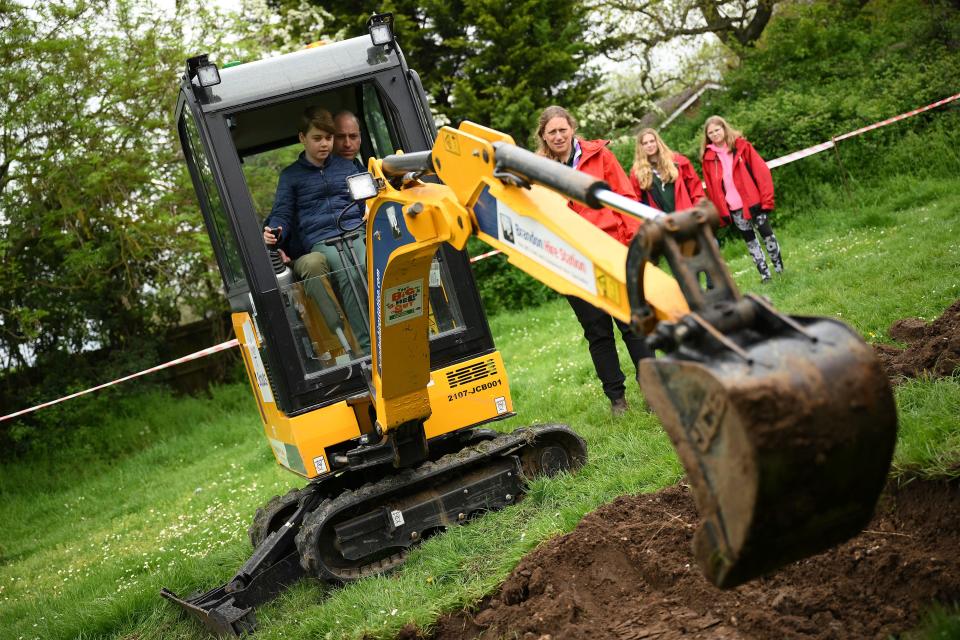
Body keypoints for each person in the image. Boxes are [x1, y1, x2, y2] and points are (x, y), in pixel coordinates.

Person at [535, 105, 652, 417]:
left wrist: (633, 248)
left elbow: (625, 200)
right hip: (572, 264)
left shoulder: (600, 156)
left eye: (562, 129)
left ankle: (653, 389)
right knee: (598, 333)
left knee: (632, 324)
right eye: (552, 132)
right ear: (543, 137)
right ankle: (617, 400)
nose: (558, 136)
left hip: (611, 252)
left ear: (572, 128)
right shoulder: (536, 171)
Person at [264, 106, 370, 352]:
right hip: (324, 240)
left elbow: (367, 199)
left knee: (371, 262)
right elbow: (282, 213)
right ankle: (365, 348)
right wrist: (275, 231)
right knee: (350, 271)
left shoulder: (348, 167)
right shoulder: (290, 176)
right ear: (302, 138)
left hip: (357, 231)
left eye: (329, 138)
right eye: (317, 138)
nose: (325, 144)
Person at [700, 115, 783, 283]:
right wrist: (721, 212)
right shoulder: (708, 159)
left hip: (754, 203)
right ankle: (765, 276)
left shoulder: (742, 147)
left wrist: (767, 200)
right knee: (751, 242)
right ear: (707, 136)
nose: (715, 134)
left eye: (717, 130)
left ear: (724, 128)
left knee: (768, 236)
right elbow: (712, 189)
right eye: (711, 133)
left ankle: (780, 270)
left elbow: (762, 173)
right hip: (734, 208)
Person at [629, 128, 705, 213]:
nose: (649, 145)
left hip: (686, 216)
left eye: (652, 141)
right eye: (645, 143)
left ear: (658, 142)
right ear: (641, 147)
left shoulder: (678, 162)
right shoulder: (637, 172)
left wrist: (699, 209)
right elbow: (636, 202)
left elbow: (695, 188)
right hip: (662, 221)